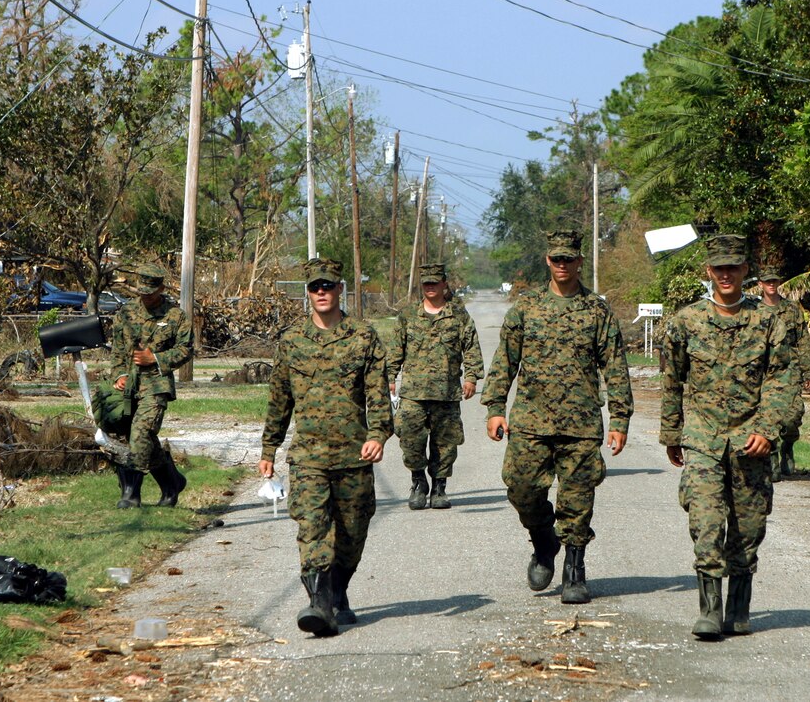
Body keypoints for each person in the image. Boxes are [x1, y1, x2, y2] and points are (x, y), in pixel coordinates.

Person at [482, 230, 633, 605]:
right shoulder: (526, 308)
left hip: (580, 424)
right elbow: (505, 361)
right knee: (521, 488)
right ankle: (543, 542)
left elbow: (615, 365)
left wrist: (620, 419)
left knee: (577, 498)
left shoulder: (596, 310)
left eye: (569, 259)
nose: (563, 265)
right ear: (548, 261)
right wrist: (495, 408)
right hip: (531, 421)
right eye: (556, 259)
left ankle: (574, 571)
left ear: (580, 261)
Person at [659, 235, 798, 639]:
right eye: (718, 268)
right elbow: (673, 381)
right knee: (705, 520)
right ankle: (709, 608)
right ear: (708, 272)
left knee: (748, 528)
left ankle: (738, 607)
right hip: (702, 438)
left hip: (751, 437)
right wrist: (672, 433)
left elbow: (783, 382)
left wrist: (768, 430)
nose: (725, 275)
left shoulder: (768, 322)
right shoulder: (686, 321)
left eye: (733, 268)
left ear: (744, 273)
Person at [259, 258, 393, 637]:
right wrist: (269, 449)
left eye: (328, 286)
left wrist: (377, 434)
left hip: (354, 454)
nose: (321, 293)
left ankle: (338, 589)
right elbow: (279, 400)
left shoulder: (363, 337)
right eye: (315, 287)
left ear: (339, 289)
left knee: (352, 534)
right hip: (308, 457)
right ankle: (319, 604)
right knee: (313, 529)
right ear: (308, 292)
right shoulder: (291, 341)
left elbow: (377, 394)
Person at [387, 263, 483, 510]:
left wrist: (471, 377)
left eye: (434, 283)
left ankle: (439, 487)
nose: (430, 287)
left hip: (447, 394)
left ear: (444, 284)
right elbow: (396, 350)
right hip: (413, 394)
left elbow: (471, 347)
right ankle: (419, 482)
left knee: (446, 444)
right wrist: (388, 377)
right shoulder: (408, 316)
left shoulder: (458, 316)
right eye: (426, 283)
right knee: (410, 440)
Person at [109, 262, 193, 510]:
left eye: (150, 292)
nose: (145, 296)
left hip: (157, 385)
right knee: (142, 437)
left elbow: (186, 350)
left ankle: (131, 492)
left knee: (141, 432)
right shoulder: (126, 313)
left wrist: (155, 358)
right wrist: (119, 375)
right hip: (130, 384)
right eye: (142, 292)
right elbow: (118, 349)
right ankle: (172, 482)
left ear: (161, 289)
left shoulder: (175, 316)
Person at [756, 266, 810, 481]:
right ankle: (771, 458)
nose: (771, 284)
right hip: (762, 370)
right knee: (766, 417)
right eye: (767, 281)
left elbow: (803, 340)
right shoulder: (753, 310)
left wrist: (808, 369)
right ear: (761, 284)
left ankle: (788, 446)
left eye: (774, 281)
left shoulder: (791, 309)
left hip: (789, 370)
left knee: (792, 416)